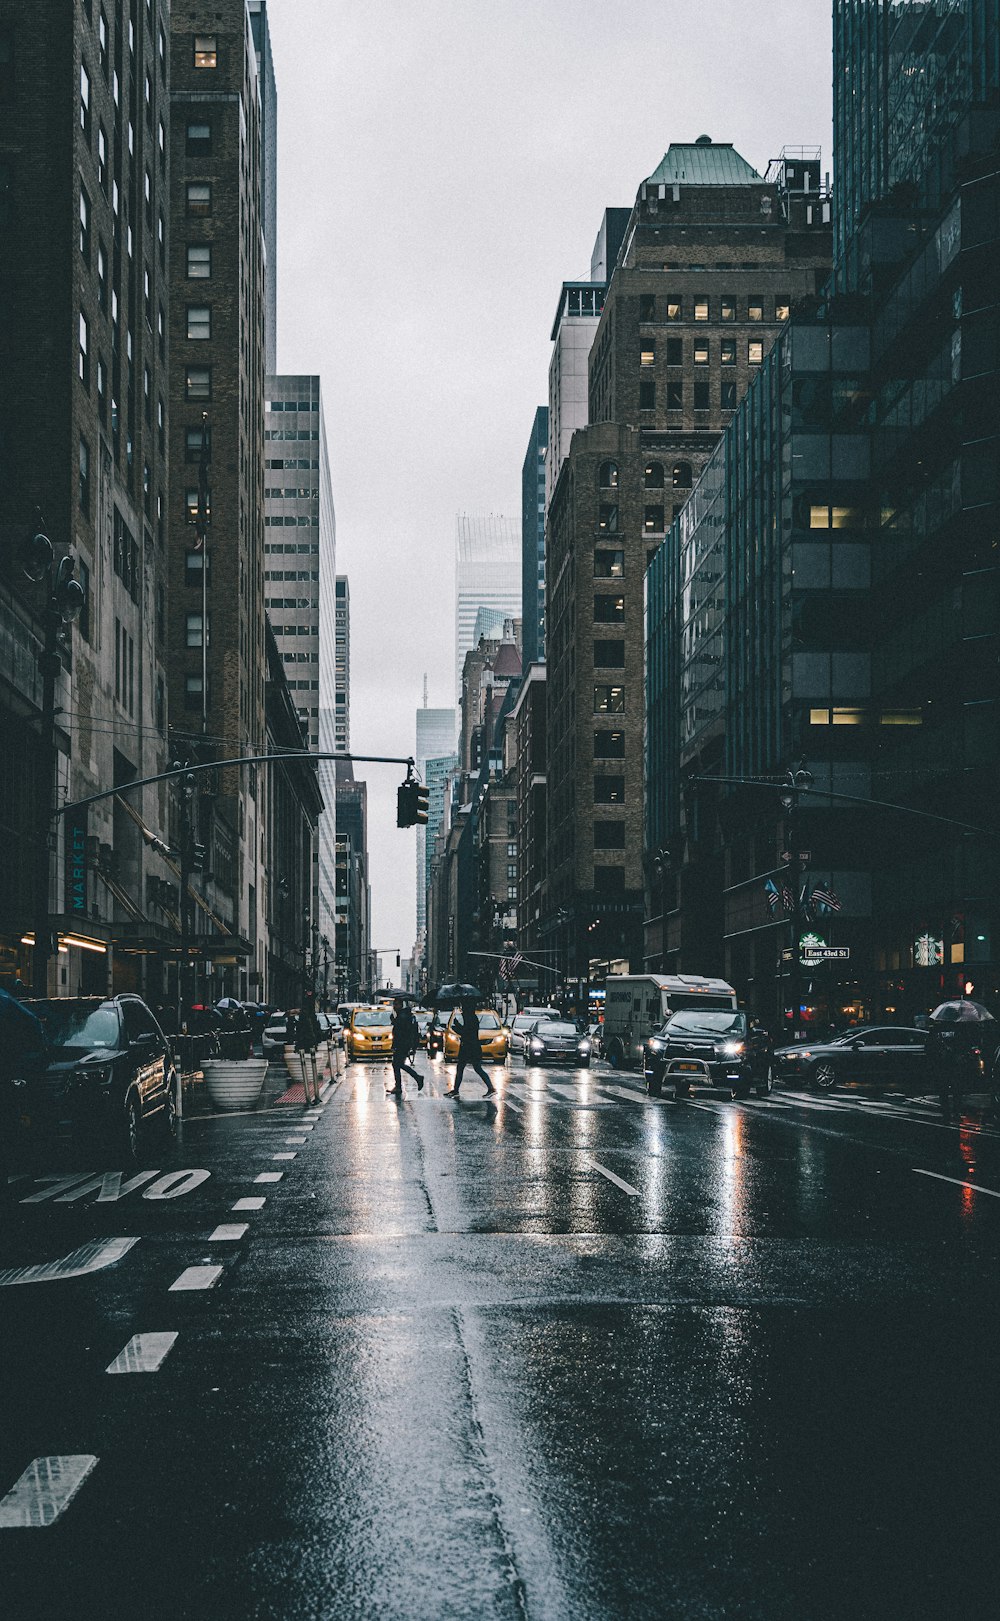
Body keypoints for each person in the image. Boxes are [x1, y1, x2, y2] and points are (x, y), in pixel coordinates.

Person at [445, 999, 494, 1098]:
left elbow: (466, 1033)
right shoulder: (471, 1018)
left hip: (469, 1047)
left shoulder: (471, 1018)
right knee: (468, 1068)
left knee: (472, 1068)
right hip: (471, 1047)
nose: (462, 1011)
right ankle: (456, 1090)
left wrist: (457, 1026)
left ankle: (491, 1088)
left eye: (463, 1008)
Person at [388, 998, 422, 1096]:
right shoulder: (403, 1015)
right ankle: (399, 1086)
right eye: (394, 1004)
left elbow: (401, 1032)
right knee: (397, 1064)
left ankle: (417, 1078)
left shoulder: (402, 1016)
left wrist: (394, 1021)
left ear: (401, 1005)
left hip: (402, 1044)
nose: (394, 1006)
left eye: (397, 1004)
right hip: (403, 1044)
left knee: (398, 1064)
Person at [295, 990, 323, 1105]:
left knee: (310, 1065)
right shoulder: (307, 1015)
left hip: (307, 1042)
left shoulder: (308, 1014)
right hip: (307, 1042)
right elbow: (310, 1029)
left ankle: (313, 1095)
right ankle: (312, 1095)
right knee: (309, 1065)